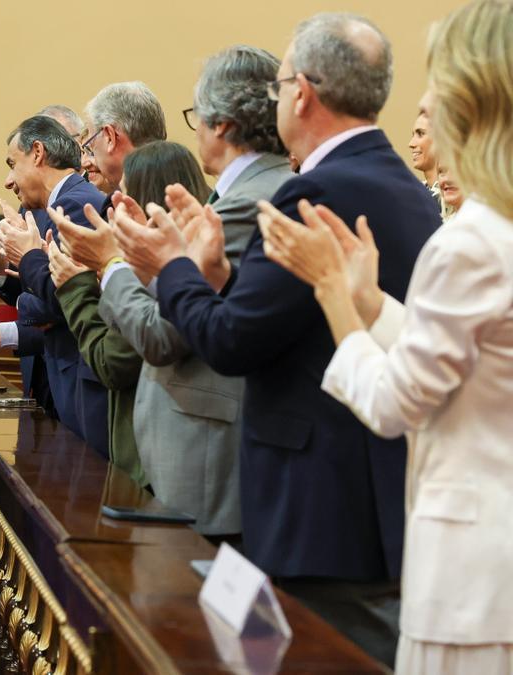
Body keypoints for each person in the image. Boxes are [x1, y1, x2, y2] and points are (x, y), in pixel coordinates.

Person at [111, 13, 440, 666]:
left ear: (302, 93)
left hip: (316, 508)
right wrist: (223, 275)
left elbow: (231, 343)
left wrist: (171, 268)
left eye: (282, 81)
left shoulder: (314, 192)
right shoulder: (408, 189)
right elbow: (289, 319)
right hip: (377, 493)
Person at [257, 6, 513, 671]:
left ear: (469, 99)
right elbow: (475, 362)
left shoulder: (472, 241)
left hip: (471, 578)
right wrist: (372, 302)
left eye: (438, 83)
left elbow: (396, 404)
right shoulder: (492, 229)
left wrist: (335, 298)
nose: (423, 101)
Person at [61, 46, 293, 536]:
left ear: (223, 124)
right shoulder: (238, 196)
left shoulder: (246, 204)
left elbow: (163, 334)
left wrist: (111, 263)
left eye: (197, 117)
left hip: (206, 452)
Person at [0, 115, 111, 461]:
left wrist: (29, 261)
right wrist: (2, 262)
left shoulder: (75, 204)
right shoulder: (57, 204)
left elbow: (59, 302)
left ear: (38, 152)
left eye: (12, 165)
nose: (8, 181)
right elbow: (43, 293)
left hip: (82, 382)